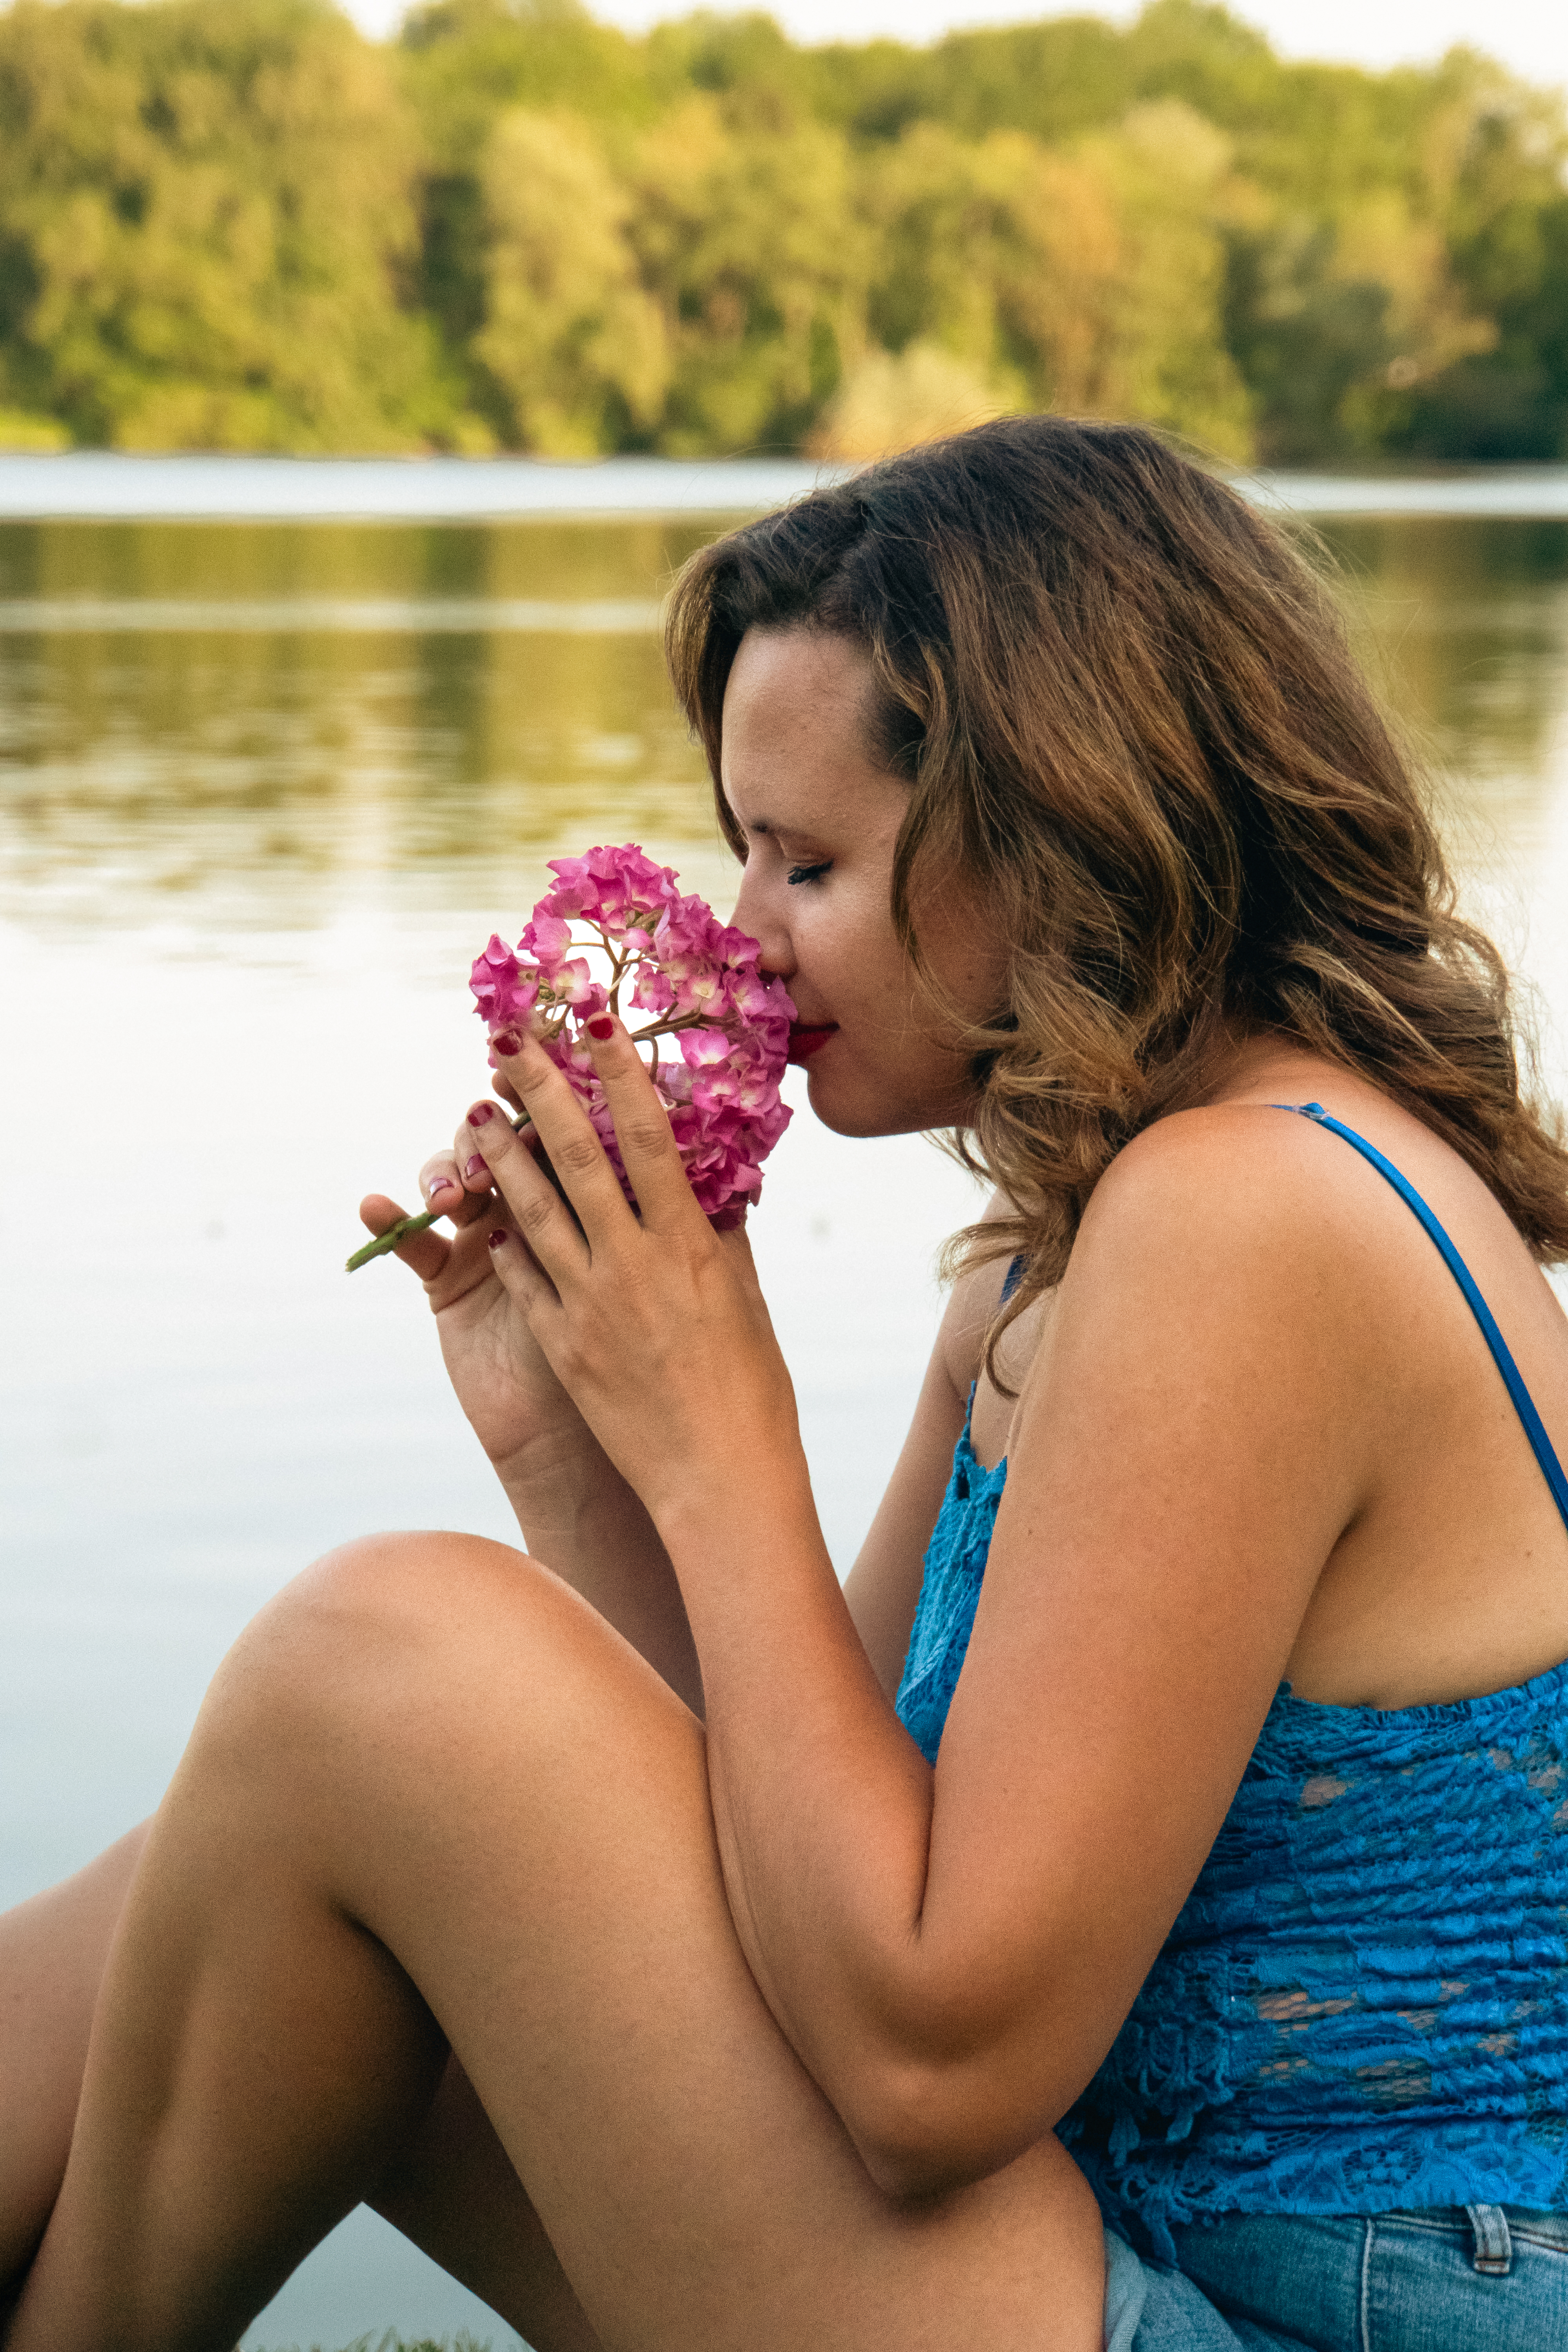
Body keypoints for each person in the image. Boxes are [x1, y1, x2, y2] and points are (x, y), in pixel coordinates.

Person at [4, 416, 1568, 2352]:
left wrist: (723, 1430)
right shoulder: (1046, 1260)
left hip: (1319, 2313)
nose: (738, 932)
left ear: (1061, 818)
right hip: (1104, 2254)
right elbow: (797, 1872)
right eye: (739, 842)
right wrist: (580, 1453)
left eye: (804, 857)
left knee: (377, 1663)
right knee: (268, 1849)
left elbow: (926, 2073)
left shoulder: (1250, 1216)